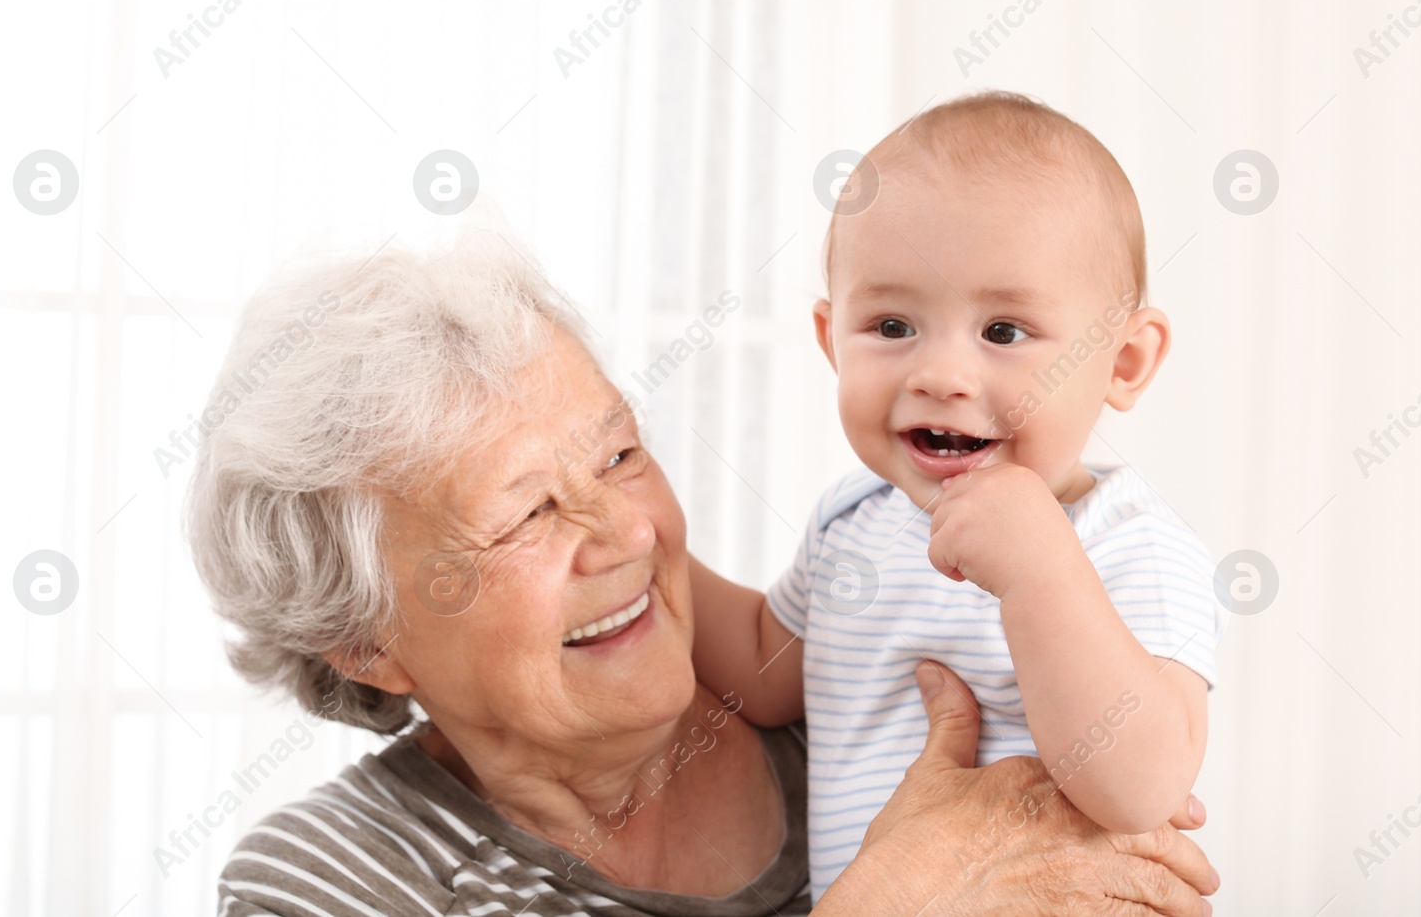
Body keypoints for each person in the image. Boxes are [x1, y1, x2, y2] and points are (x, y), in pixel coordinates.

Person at [186, 232, 1220, 915]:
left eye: (620, 455)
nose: (626, 532)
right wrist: (890, 894)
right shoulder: (339, 884)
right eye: (528, 513)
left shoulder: (865, 701)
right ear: (366, 639)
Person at [692, 91, 1226, 899]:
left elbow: (1143, 786)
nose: (939, 375)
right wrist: (648, 550)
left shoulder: (1125, 541)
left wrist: (1041, 572)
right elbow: (765, 672)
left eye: (1003, 332)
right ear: (830, 341)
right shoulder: (851, 520)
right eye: (893, 326)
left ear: (1122, 363)